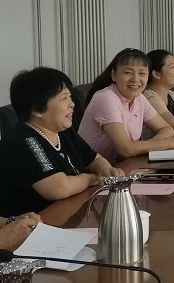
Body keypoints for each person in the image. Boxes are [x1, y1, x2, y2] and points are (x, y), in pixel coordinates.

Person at [0, 68, 124, 216]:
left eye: (70, 97)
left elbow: (93, 159)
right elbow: (60, 188)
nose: (72, 104)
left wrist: (105, 169)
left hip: (72, 210)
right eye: (64, 98)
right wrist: (92, 179)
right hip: (37, 223)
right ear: (37, 109)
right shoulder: (24, 141)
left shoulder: (62, 130)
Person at [79, 48, 174, 163]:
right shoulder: (106, 98)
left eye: (142, 73)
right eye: (128, 72)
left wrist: (150, 145)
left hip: (123, 164)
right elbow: (126, 149)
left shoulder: (139, 98)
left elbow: (166, 128)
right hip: (95, 170)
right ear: (114, 75)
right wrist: (171, 143)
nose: (136, 79)